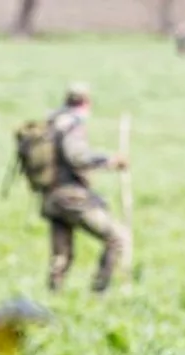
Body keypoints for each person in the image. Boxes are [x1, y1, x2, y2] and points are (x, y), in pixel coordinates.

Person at [38, 83, 131, 294]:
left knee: (61, 255)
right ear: (86, 102)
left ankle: (54, 297)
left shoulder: (53, 122)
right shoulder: (72, 124)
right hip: (71, 196)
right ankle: (99, 293)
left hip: (51, 197)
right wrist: (109, 160)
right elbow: (76, 157)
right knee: (117, 238)